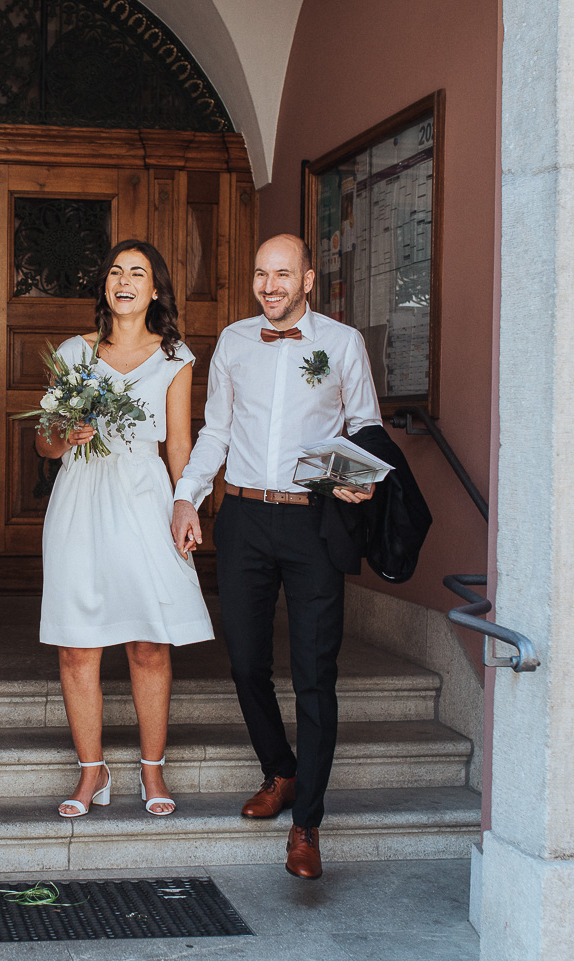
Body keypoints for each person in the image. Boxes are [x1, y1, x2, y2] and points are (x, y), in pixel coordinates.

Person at [169, 233, 381, 879]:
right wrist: (186, 498)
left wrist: (361, 481)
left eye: (283, 274)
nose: (270, 286)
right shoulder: (234, 341)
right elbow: (216, 432)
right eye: (261, 274)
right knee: (244, 662)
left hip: (313, 520)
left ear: (308, 280)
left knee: (316, 674)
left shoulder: (342, 343)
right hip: (244, 518)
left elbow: (366, 430)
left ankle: (307, 825)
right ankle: (280, 769)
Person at [38, 239, 215, 819]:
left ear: (154, 289)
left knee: (149, 640)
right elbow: (45, 440)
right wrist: (69, 434)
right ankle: (92, 772)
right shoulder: (74, 352)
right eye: (116, 271)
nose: (124, 280)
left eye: (137, 272)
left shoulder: (175, 358)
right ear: (105, 287)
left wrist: (185, 505)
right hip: (80, 499)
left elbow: (181, 445)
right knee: (76, 646)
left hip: (143, 499)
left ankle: (151, 769)